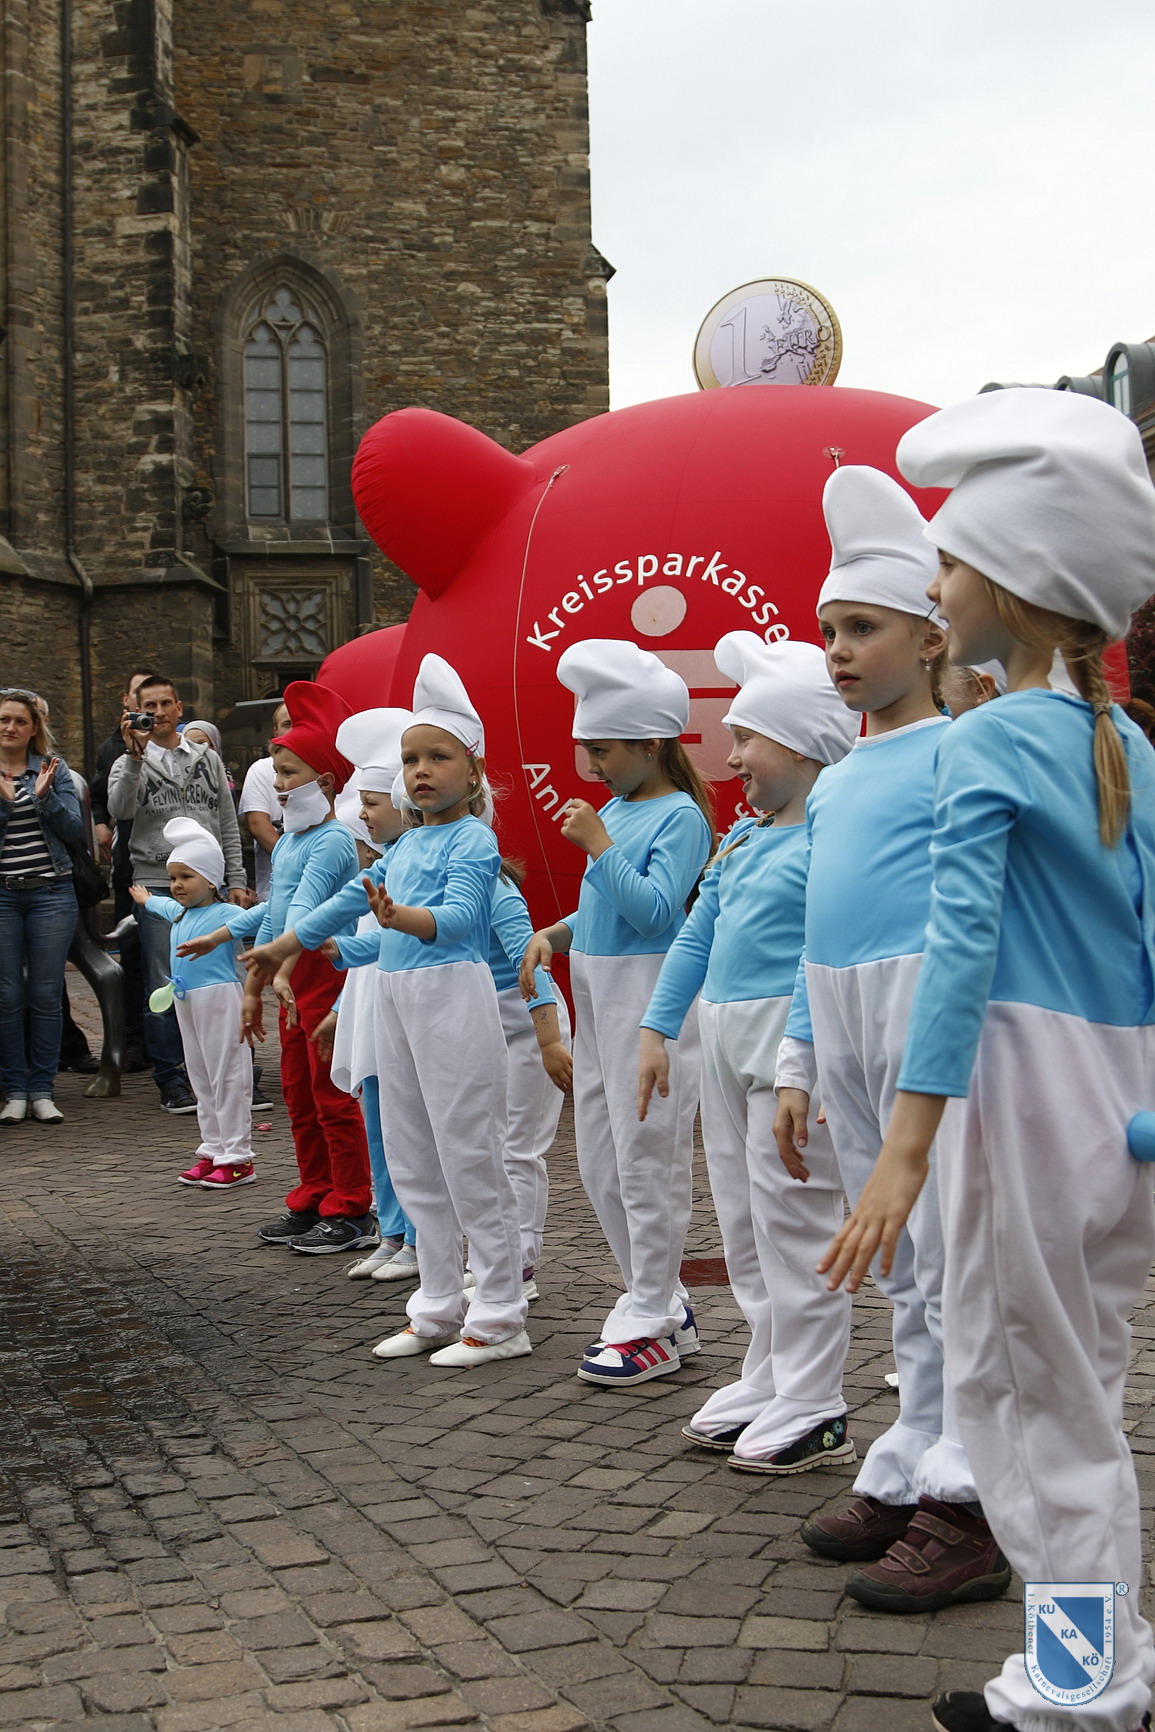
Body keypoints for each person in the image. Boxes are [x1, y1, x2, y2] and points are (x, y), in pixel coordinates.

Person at [821, 389, 1155, 1732]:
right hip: (1118, 1108)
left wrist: (903, 1148)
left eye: (951, 563)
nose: (935, 583)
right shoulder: (1122, 741)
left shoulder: (986, 740)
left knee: (1025, 1409)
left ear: (1012, 587)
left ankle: (1079, 1691)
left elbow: (959, 950)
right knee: (1083, 1397)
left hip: (1020, 1102)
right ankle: (1104, 1661)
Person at [773, 466, 1000, 1615]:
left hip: (921, 1015)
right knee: (902, 1263)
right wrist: (799, 1058)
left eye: (863, 628)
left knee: (954, 1256)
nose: (839, 651)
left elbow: (972, 912)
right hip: (845, 1019)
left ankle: (973, 1496)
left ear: (930, 633)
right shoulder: (839, 779)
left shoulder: (962, 751)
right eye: (829, 631)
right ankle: (915, 1454)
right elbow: (814, 927)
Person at [639, 634, 859, 1472]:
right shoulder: (745, 835)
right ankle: (769, 1369)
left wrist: (801, 1051)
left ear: (800, 745)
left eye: (745, 739)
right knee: (744, 1219)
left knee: (796, 1220)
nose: (729, 758)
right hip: (726, 1043)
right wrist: (657, 1029)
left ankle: (814, 1395)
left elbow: (819, 950)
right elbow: (697, 934)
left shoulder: (830, 838)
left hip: (785, 1050)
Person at [292, 657, 530, 1367]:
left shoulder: (473, 839)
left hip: (453, 995)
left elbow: (458, 921)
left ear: (474, 769)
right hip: (399, 1000)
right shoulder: (405, 844)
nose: (420, 771)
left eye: (438, 757)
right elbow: (353, 908)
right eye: (410, 760)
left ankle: (500, 1314)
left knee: (469, 1156)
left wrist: (399, 918)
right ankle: (436, 1304)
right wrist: (297, 945)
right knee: (411, 1153)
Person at [521, 639, 713, 1388]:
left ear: (650, 742)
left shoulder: (680, 818)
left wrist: (599, 847)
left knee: (646, 1158)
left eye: (601, 749)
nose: (590, 765)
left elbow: (657, 912)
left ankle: (653, 1313)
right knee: (601, 1159)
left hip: (647, 998)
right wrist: (554, 932)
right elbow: (603, 911)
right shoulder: (614, 809)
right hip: (600, 994)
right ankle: (656, 1298)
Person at [107, 675, 247, 1113]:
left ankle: (227, 1069)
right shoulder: (127, 760)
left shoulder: (206, 757)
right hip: (157, 880)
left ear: (179, 707)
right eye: (149, 706)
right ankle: (170, 1077)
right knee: (164, 980)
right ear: (134, 711)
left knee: (223, 976)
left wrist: (236, 877)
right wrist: (134, 757)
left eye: (166, 703)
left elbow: (226, 820)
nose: (159, 713)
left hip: (211, 882)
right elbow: (119, 809)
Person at [132, 819, 257, 1188]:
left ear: (212, 880)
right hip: (186, 1000)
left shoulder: (226, 914)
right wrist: (147, 899)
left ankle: (238, 1158)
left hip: (219, 999)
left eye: (186, 876)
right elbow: (162, 906)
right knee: (200, 1076)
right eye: (173, 878)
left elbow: (262, 915)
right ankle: (214, 1148)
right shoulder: (181, 912)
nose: (177, 885)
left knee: (227, 1075)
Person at [0, 687, 86, 1124]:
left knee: (46, 993)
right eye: (4, 720)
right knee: (7, 994)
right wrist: (5, 805)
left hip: (51, 893)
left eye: (20, 720)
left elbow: (74, 831)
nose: (10, 727)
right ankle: (15, 1090)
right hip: (3, 895)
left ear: (34, 727)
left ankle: (43, 1090)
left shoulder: (54, 768)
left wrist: (45, 796)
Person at [239, 702, 290, 900]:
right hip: (275, 892)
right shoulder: (261, 770)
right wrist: (295, 865)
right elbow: (257, 825)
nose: (294, 730)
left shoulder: (326, 767)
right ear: (276, 732)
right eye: (287, 724)